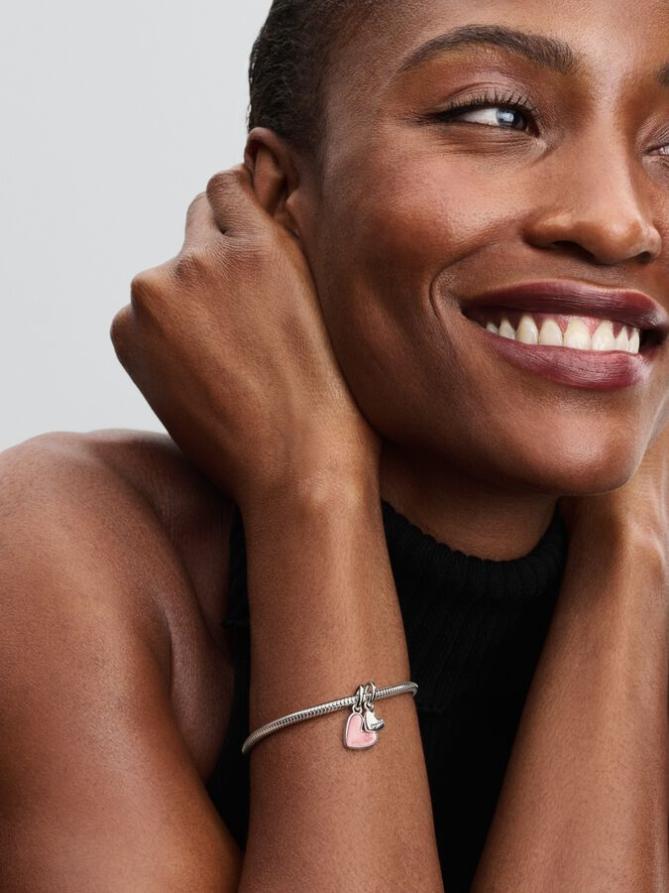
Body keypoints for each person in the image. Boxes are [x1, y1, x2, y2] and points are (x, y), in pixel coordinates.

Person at [2, 0, 669, 889]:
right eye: (497, 115)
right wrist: (309, 487)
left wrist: (629, 547)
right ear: (281, 195)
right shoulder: (60, 546)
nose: (618, 223)